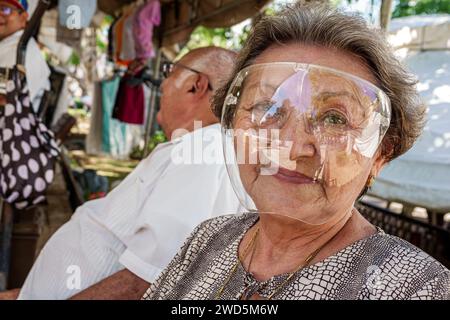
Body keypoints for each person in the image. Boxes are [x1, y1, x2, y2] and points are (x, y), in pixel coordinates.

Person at [142, 3, 450, 300]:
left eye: (334, 119)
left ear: (380, 155)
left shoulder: (415, 288)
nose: (292, 146)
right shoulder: (209, 239)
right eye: (267, 107)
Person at [14, 46, 240, 300]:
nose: (161, 85)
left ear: (195, 85)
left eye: (169, 72)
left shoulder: (202, 149)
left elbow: (147, 281)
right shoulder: (200, 147)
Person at [0, 0, 50, 112]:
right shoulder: (6, 45)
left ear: (23, 18)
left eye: (5, 9)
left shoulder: (23, 52)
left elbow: (6, 102)